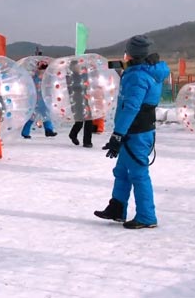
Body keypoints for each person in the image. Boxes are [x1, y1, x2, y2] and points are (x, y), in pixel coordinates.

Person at [95, 35, 170, 229]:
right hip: (136, 131)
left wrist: (118, 134)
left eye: (126, 52)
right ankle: (117, 208)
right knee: (121, 171)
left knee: (138, 174)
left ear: (132, 54)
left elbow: (131, 107)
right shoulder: (145, 71)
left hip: (135, 132)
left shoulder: (137, 76)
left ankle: (146, 216)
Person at [21, 60, 58, 138]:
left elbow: (49, 89)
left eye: (44, 70)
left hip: (44, 100)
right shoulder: (33, 79)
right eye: (42, 70)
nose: (43, 72)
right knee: (32, 116)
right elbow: (29, 88)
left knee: (46, 115)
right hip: (35, 101)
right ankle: (25, 132)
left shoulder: (47, 79)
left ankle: (49, 130)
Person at [67, 59, 94, 147]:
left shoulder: (82, 76)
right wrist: (82, 85)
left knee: (89, 119)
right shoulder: (70, 77)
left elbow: (88, 81)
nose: (79, 68)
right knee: (79, 121)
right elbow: (72, 88)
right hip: (76, 101)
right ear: (72, 68)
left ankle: (87, 142)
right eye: (77, 66)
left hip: (84, 100)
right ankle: (73, 134)